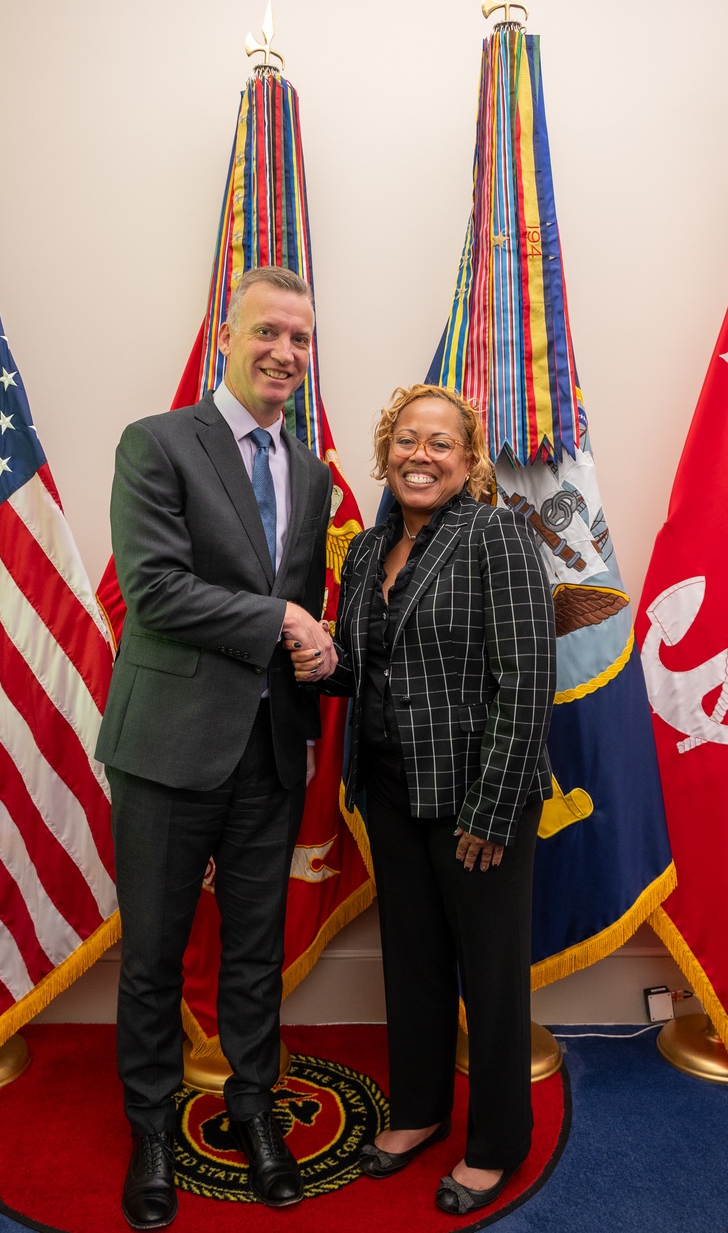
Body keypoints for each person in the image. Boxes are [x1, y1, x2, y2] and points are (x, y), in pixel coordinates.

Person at [96, 266, 337, 1229]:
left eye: (301, 340)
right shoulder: (156, 443)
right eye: (267, 332)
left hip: (270, 754)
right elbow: (153, 591)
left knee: (252, 954)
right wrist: (282, 614)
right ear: (225, 337)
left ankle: (252, 1111)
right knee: (153, 954)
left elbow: (311, 621)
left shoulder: (313, 474)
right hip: (166, 748)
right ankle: (151, 1129)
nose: (284, 352)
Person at [287, 383, 556, 1217]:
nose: (421, 455)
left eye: (441, 443)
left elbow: (528, 679)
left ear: (469, 462)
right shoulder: (367, 554)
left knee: (494, 978)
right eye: (407, 440)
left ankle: (498, 1143)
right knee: (412, 964)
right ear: (385, 452)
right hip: (393, 797)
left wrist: (492, 809)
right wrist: (323, 664)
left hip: (478, 800)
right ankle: (419, 1112)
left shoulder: (500, 535)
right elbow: (371, 673)